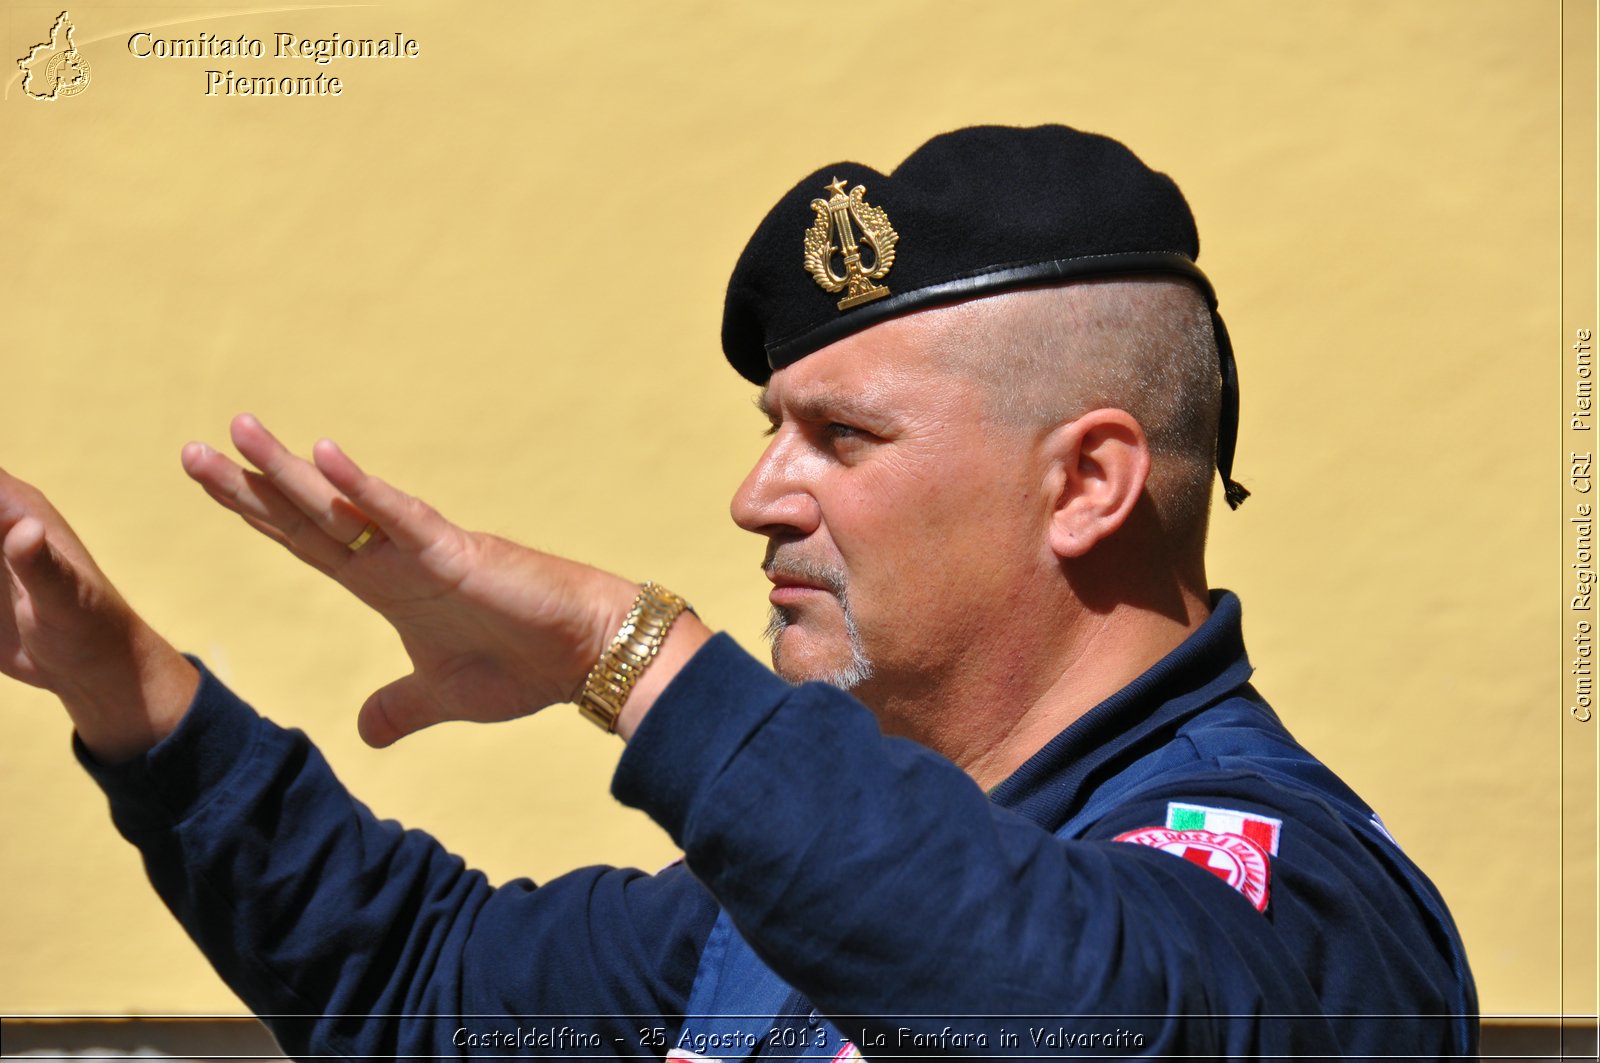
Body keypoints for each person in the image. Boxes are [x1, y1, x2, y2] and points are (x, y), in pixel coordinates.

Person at [0, 125, 1476, 1060]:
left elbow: (1074, 1013)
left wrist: (624, 655)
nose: (758, 496)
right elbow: (425, 989)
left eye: (842, 437)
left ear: (1086, 484)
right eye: (768, 432)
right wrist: (122, 686)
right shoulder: (827, 867)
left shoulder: (1294, 895)